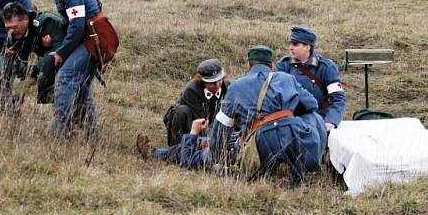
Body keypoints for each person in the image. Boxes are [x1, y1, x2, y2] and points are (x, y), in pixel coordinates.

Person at [141, 45, 326, 184]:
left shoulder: (236, 87)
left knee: (201, 150)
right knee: (202, 143)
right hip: (293, 138)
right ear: (272, 66)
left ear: (248, 65)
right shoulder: (287, 79)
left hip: (258, 143)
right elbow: (312, 104)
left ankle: (164, 153)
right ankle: (160, 153)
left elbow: (220, 131)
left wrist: (213, 156)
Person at [27, 0, 101, 138]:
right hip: (84, 39)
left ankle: (61, 133)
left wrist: (61, 52)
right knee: (81, 88)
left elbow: (77, 26)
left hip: (89, 41)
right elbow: (70, 23)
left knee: (64, 80)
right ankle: (92, 134)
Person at [276, 26, 346, 133]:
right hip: (291, 121)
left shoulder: (326, 67)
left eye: (295, 44)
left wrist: (331, 121)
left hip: (319, 120)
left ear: (308, 47)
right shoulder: (284, 66)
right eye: (290, 44)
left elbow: (337, 98)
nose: (290, 47)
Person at [0, 1, 67, 105]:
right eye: (8, 28)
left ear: (26, 19)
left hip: (71, 58)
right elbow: (9, 56)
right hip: (48, 60)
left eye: (15, 27)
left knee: (48, 86)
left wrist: (35, 71)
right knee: (17, 85)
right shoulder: (14, 34)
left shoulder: (46, 22)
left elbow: (61, 49)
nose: (11, 31)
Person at [163, 58, 229, 146]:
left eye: (219, 80)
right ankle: (177, 148)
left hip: (219, 130)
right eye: (212, 82)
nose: (217, 85)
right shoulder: (191, 91)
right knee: (182, 111)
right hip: (192, 126)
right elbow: (202, 124)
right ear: (202, 81)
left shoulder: (228, 88)